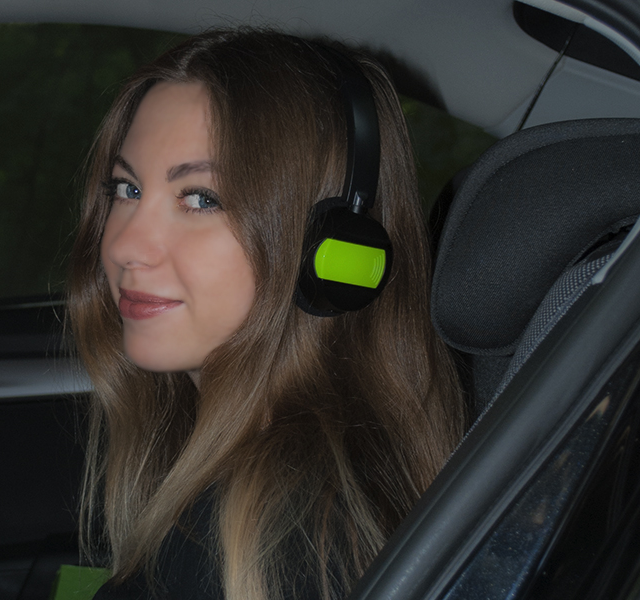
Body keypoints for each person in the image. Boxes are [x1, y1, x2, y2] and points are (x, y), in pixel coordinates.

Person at [67, 28, 465, 600]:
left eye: (200, 198)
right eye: (126, 190)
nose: (126, 245)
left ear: (331, 253)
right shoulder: (292, 484)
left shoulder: (273, 543)